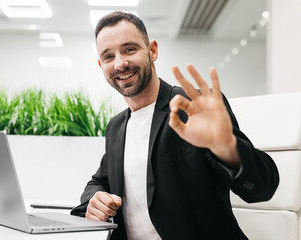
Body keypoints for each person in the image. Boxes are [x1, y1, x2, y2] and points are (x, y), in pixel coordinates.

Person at [70, 11, 279, 240]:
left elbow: (263, 187)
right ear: (101, 65)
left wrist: (226, 146)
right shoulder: (116, 127)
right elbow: (99, 181)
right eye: (108, 56)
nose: (120, 63)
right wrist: (95, 199)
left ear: (152, 51)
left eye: (129, 49)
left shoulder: (193, 107)